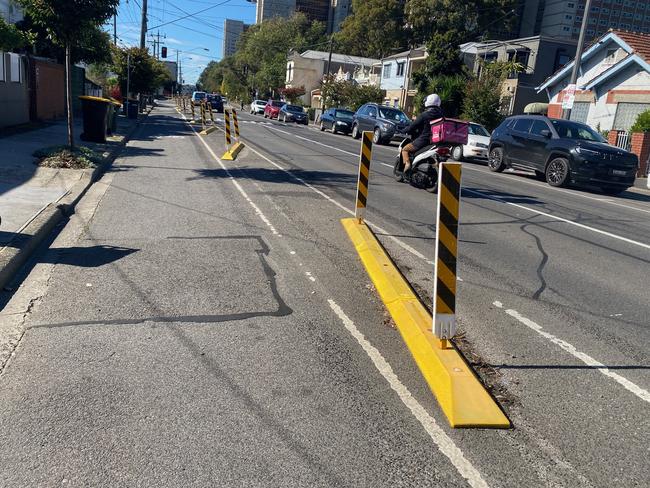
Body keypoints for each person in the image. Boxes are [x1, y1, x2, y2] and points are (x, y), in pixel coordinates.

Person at [401, 94, 443, 173]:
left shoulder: (424, 115)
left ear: (428, 102)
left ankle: (407, 165)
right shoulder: (441, 115)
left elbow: (412, 126)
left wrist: (403, 131)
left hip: (423, 140)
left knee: (405, 149)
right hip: (435, 141)